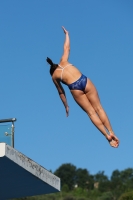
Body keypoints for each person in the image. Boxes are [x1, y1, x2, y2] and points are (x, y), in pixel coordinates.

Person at [46, 26, 119, 148]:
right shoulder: (63, 61)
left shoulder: (54, 76)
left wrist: (66, 106)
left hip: (75, 88)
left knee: (91, 113)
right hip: (84, 80)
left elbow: (61, 92)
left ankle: (107, 136)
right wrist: (67, 34)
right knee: (99, 108)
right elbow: (66, 48)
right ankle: (112, 132)